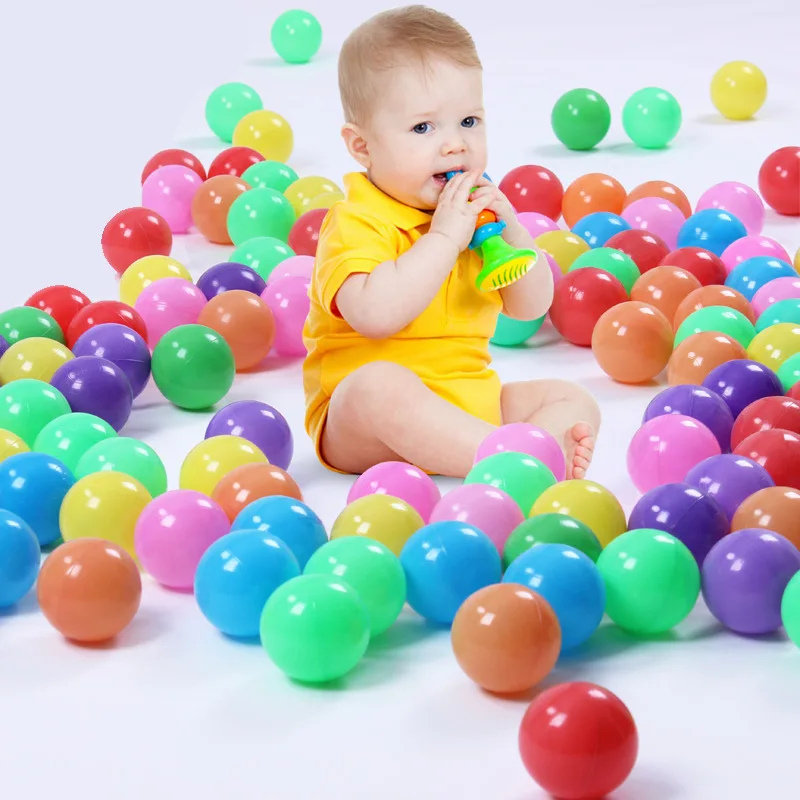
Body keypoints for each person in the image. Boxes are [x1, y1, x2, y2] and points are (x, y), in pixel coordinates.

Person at [302, 5, 600, 479]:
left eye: (469, 121)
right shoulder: (356, 220)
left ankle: (529, 459)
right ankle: (507, 462)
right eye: (423, 128)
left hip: (467, 403)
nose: (455, 144)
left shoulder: (477, 217)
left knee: (572, 398)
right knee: (377, 385)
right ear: (362, 146)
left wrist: (511, 229)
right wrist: (443, 237)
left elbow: (531, 307)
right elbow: (376, 315)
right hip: (364, 425)